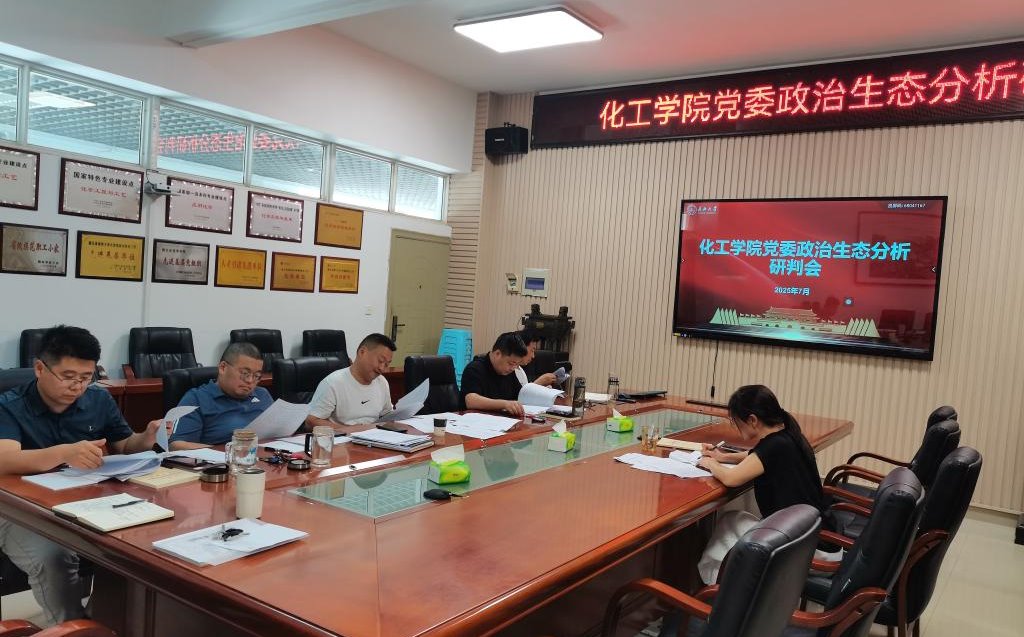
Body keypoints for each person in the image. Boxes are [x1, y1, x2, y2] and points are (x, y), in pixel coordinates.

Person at [0, 325, 163, 625]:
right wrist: (63, 453)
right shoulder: (9, 406)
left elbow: (124, 445)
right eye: (68, 376)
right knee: (54, 556)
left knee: (134, 544)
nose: (77, 386)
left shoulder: (98, 400)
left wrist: (146, 438)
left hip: (85, 500)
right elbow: (4, 460)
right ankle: (70, 627)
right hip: (18, 510)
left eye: (86, 377)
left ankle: (110, 620)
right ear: (40, 368)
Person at [693, 384, 839, 584]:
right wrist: (724, 457)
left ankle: (717, 586)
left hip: (812, 551)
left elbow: (731, 479)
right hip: (822, 539)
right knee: (733, 519)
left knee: (729, 523)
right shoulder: (787, 434)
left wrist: (710, 463)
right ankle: (730, 581)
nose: (735, 427)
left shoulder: (774, 446)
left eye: (736, 421)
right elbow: (757, 455)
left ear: (752, 420)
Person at [169, 342, 272, 450]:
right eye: (245, 373)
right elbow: (176, 445)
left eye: (256, 376)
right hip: (222, 459)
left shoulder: (262, 395)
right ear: (223, 367)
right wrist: (229, 453)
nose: (250, 381)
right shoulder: (196, 399)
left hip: (266, 457)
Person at [305, 333, 395, 427]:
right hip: (343, 435)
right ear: (362, 352)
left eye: (386, 364)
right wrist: (350, 430)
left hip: (374, 434)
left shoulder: (382, 382)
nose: (382, 368)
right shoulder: (333, 383)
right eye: (380, 361)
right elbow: (311, 421)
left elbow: (387, 414)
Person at [460, 332, 528, 416]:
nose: (513, 368)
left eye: (517, 364)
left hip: (501, 419)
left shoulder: (509, 372)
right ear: (497, 354)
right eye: (511, 363)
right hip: (473, 420)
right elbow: (471, 401)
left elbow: (520, 395)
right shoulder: (474, 369)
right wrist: (504, 404)